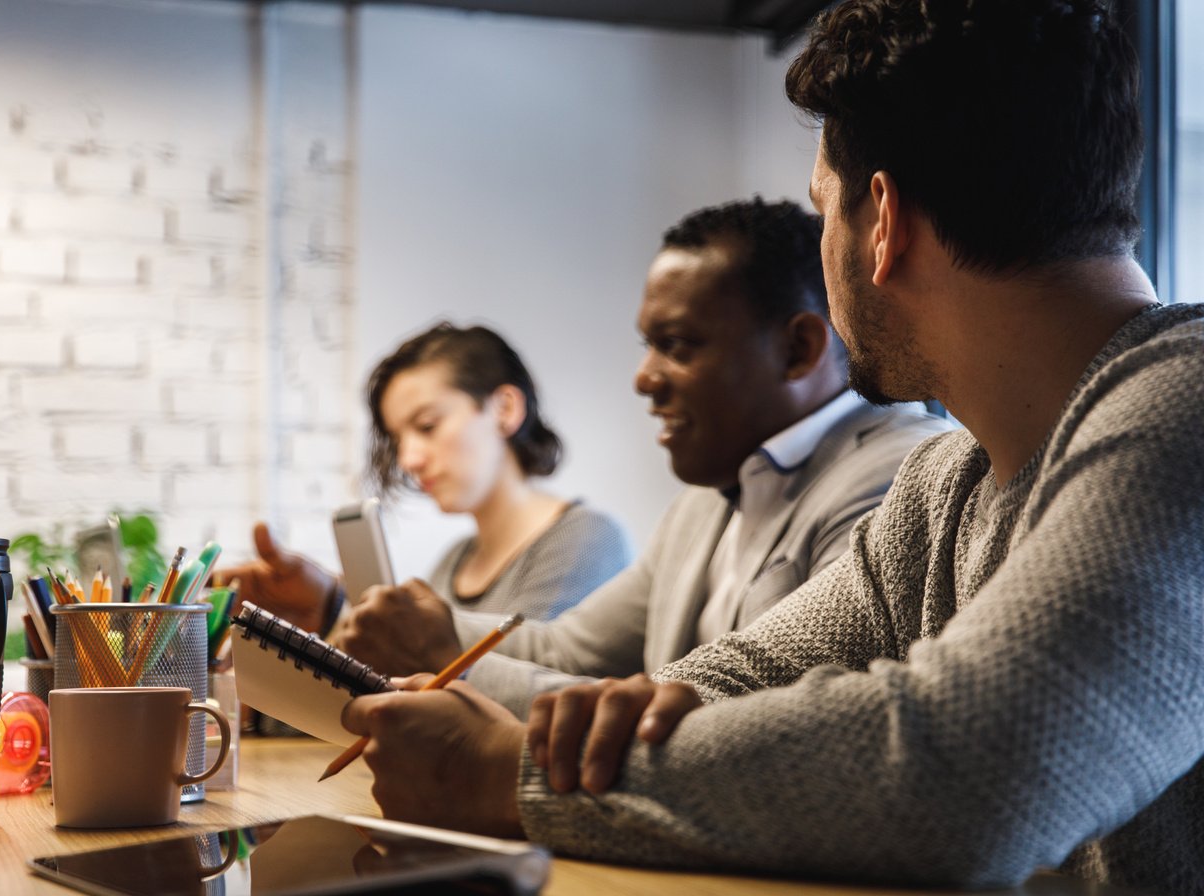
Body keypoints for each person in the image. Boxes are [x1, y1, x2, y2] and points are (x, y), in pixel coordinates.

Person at [337, 2, 1204, 894]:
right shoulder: (946, 485)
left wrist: (513, 778)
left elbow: (979, 773)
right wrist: (464, 723)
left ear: (882, 219)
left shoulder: (1187, 408)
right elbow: (726, 681)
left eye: (821, 208)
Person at [332, 197, 950, 709]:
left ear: (797, 350)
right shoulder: (706, 502)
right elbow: (567, 653)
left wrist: (442, 658)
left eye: (676, 345)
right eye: (648, 346)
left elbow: (755, 720)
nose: (644, 378)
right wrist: (431, 634)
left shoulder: (897, 478)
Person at [222, 322, 631, 636]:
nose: (408, 458)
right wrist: (329, 608)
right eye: (399, 438)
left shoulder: (587, 540)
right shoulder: (455, 561)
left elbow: (525, 689)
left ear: (504, 409)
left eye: (428, 425)